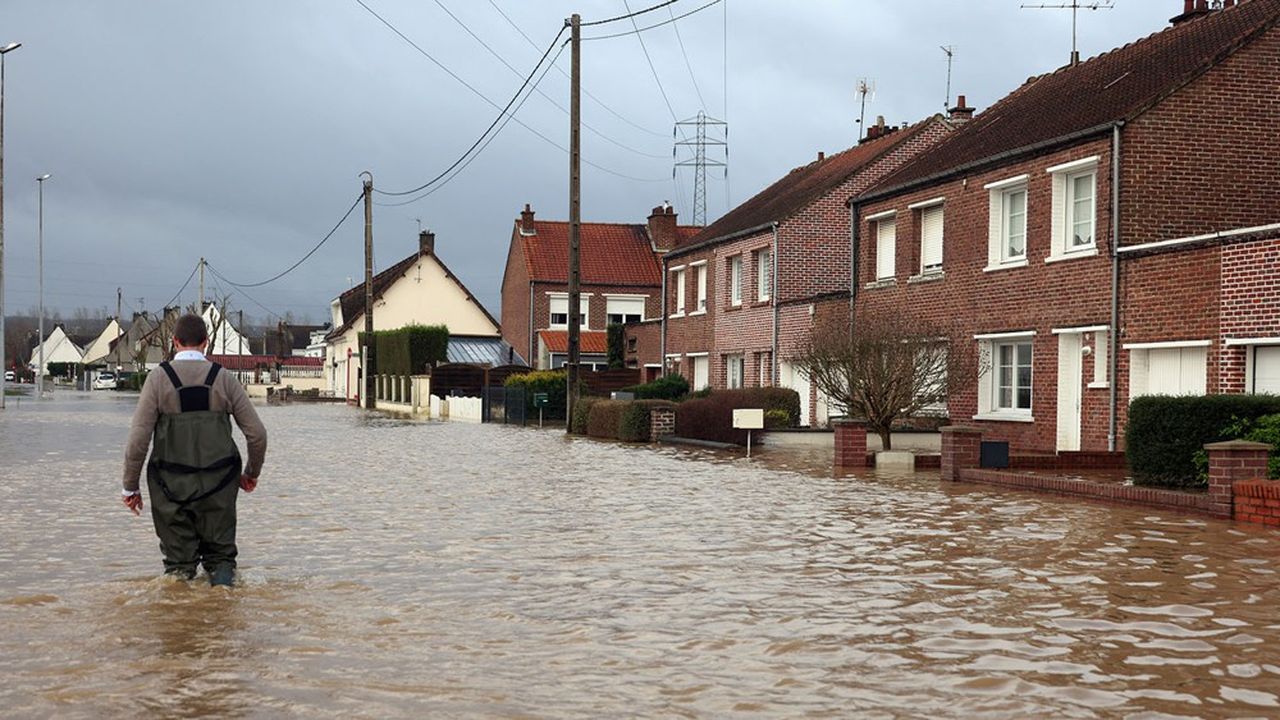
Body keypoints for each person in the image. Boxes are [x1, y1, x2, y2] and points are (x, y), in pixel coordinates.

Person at [121, 313, 267, 586]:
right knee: (222, 559)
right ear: (206, 343)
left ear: (175, 342)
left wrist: (130, 487)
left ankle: (180, 620)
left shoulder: (157, 380)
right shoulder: (225, 379)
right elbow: (257, 435)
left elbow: (138, 441)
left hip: (170, 490)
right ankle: (222, 615)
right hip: (220, 488)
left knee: (178, 567)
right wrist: (250, 473)